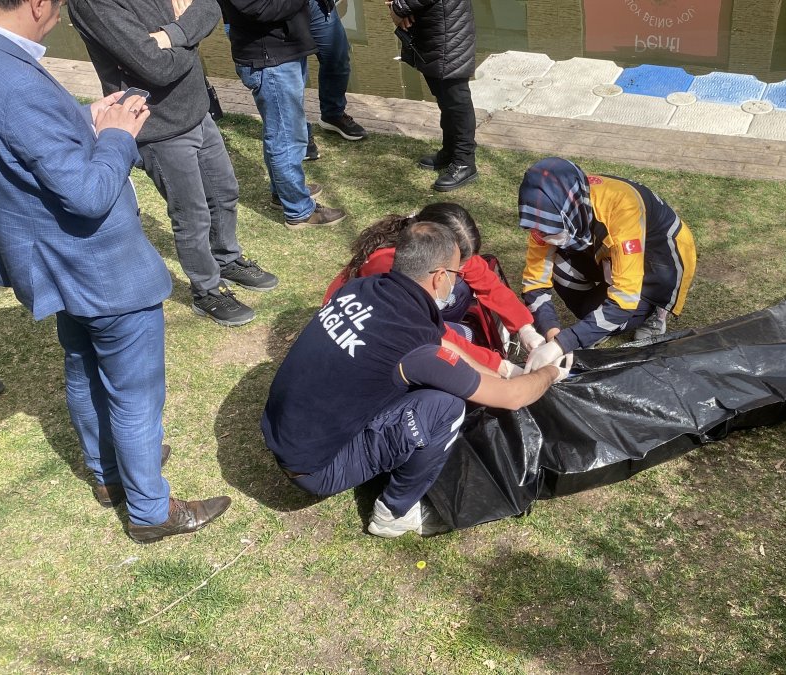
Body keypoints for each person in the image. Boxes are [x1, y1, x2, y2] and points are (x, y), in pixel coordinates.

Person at [0, 0, 230, 543]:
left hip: (54, 263)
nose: (62, 12)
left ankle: (107, 473)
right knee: (135, 394)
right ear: (36, 4)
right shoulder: (17, 81)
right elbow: (88, 194)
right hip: (100, 266)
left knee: (82, 365)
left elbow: (21, 140)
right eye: (57, 3)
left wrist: (85, 117)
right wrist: (118, 135)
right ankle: (149, 510)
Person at [263, 220, 568, 537]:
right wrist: (550, 371)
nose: (457, 282)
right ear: (440, 277)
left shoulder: (363, 288)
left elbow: (443, 343)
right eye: (456, 274)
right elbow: (512, 398)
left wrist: (501, 371)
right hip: (316, 469)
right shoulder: (412, 345)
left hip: (283, 432)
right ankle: (394, 513)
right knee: (445, 406)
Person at [69, 0, 281, 328]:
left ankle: (226, 259)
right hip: (158, 125)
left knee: (224, 192)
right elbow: (155, 67)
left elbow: (210, 7)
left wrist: (171, 36)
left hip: (196, 109)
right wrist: (190, 34)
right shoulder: (94, 4)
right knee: (192, 215)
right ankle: (207, 292)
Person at [517, 157, 697, 372]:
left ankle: (654, 312)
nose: (542, 236)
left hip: (658, 259)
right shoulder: (546, 216)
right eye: (538, 231)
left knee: (624, 311)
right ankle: (595, 324)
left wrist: (563, 344)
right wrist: (551, 333)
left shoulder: (623, 207)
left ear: (570, 214)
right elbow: (534, 283)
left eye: (550, 230)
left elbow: (625, 299)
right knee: (572, 286)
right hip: (606, 250)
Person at [323, 203, 545, 375]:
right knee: (455, 344)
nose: (463, 268)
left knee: (459, 294)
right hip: (367, 336)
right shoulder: (391, 267)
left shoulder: (423, 246)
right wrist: (499, 367)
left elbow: (486, 280)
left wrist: (525, 328)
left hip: (398, 313)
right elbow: (433, 334)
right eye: (459, 264)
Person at [216, 0, 346, 227]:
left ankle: (283, 192)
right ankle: (299, 210)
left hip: (283, 51)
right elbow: (260, 9)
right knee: (286, 138)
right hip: (270, 60)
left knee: (281, 131)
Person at [387, 0, 479, 192]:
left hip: (450, 28)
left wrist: (399, 7)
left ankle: (464, 162)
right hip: (434, 27)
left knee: (456, 98)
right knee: (444, 97)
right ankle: (450, 150)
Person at [306, 0, 367, 142]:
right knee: (288, 69)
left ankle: (333, 114)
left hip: (317, 4)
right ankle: (292, 131)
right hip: (279, 9)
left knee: (337, 57)